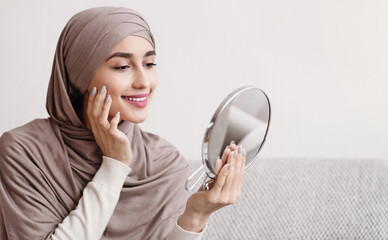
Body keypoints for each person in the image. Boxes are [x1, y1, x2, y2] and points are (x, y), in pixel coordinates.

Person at [0, 6, 245, 240]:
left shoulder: (165, 163)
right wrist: (114, 166)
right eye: (122, 66)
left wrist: (195, 217)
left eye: (149, 64)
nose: (143, 82)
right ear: (78, 76)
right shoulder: (23, 151)